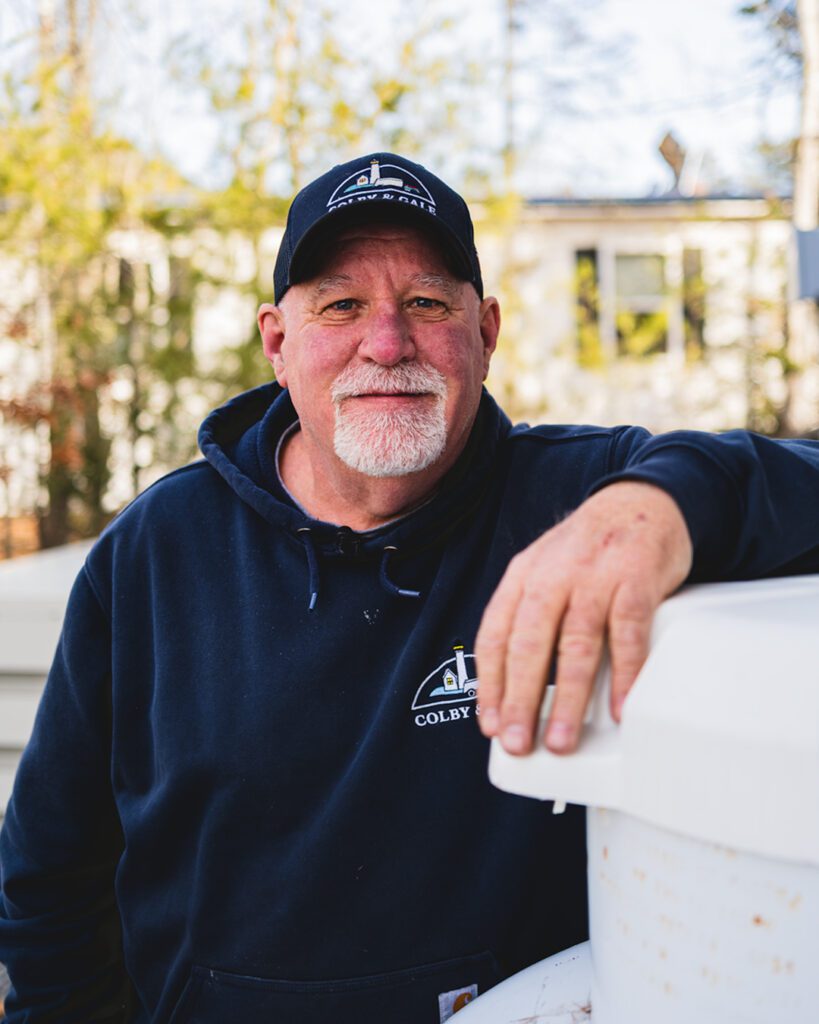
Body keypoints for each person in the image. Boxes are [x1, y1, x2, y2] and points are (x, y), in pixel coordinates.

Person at [1, 151, 819, 1024]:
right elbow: (51, 877)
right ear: (278, 343)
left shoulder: (577, 499)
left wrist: (662, 505)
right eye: (341, 305)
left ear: (486, 332)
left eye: (426, 304)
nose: (385, 343)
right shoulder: (154, 553)